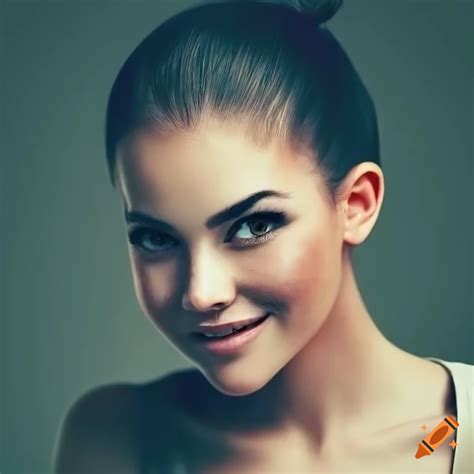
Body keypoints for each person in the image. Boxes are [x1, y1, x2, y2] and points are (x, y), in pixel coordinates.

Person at [53, 0, 473, 472]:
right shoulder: (116, 439)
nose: (201, 293)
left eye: (254, 226)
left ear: (356, 204)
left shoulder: (461, 431)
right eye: (156, 238)